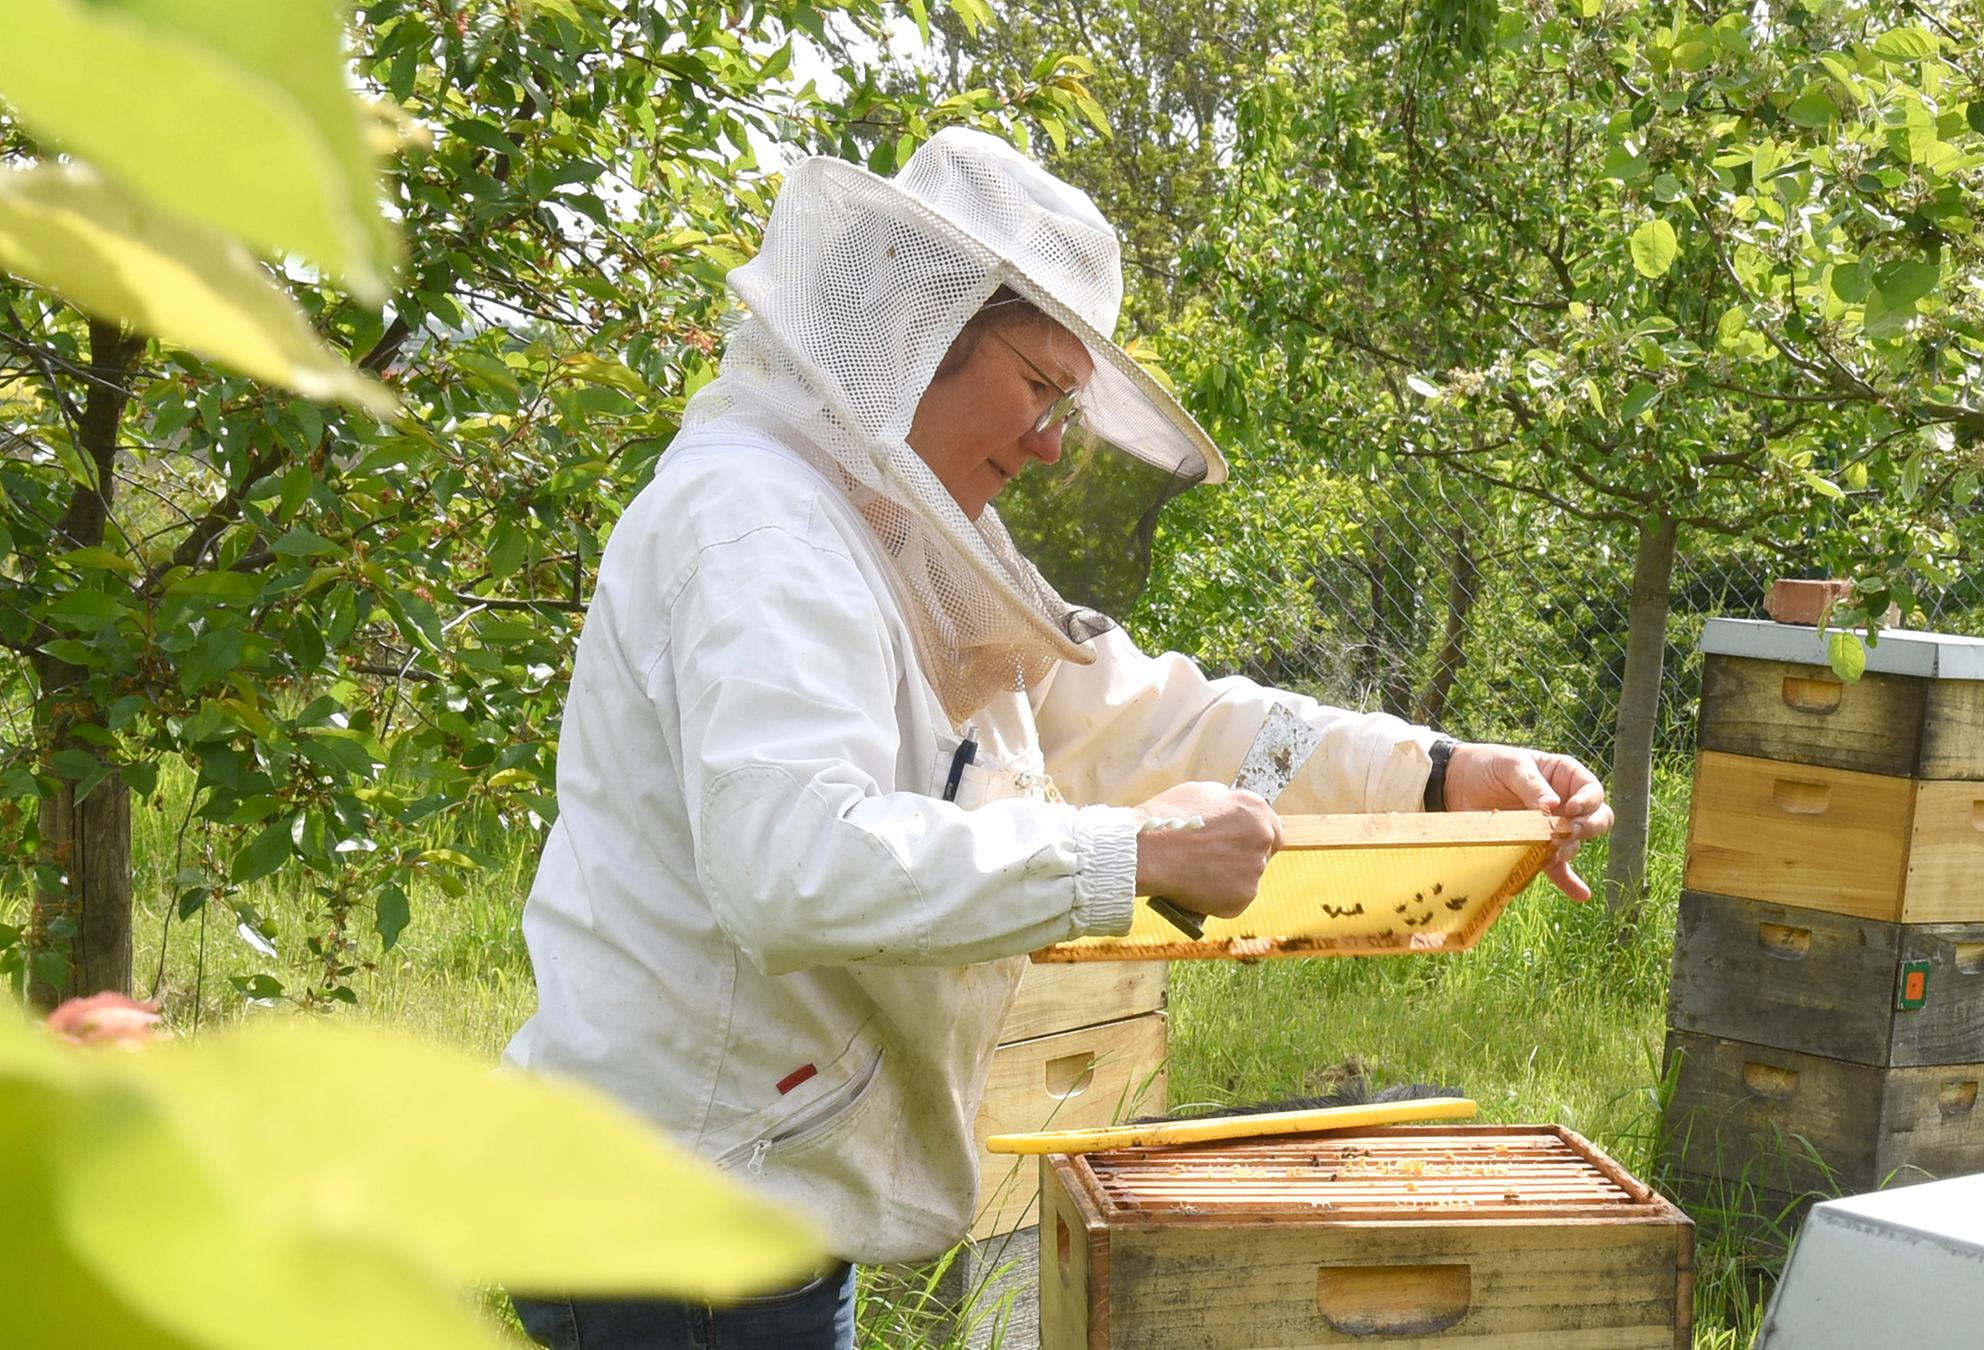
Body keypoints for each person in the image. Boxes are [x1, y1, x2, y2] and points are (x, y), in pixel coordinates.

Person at [501, 127, 1612, 1349]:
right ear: (921, 332)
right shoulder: (761, 525)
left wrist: (1440, 777)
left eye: (1067, 405)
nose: (1048, 444)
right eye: (1040, 388)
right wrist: (1123, 857)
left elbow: (1151, 718)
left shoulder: (898, 525)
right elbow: (791, 862)